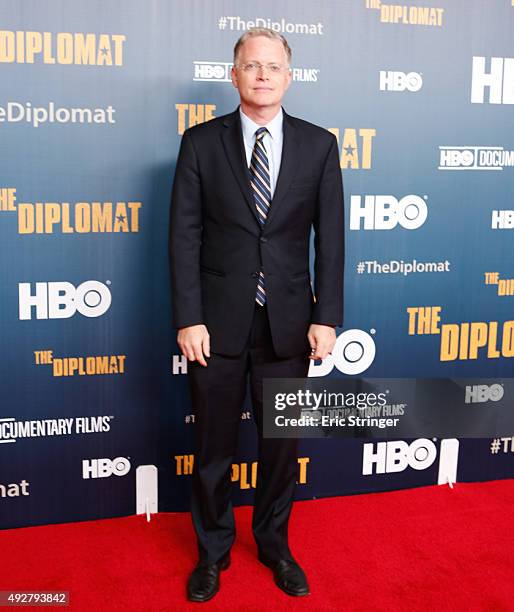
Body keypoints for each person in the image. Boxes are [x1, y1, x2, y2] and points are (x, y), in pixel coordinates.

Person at [169, 27, 344, 602]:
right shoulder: (200, 143)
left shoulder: (320, 145)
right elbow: (183, 238)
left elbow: (332, 240)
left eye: (273, 66)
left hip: (290, 325)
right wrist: (188, 317)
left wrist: (327, 316)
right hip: (214, 327)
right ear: (234, 74)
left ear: (289, 76)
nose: (263, 75)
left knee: (281, 450)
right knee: (214, 450)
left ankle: (274, 546)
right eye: (251, 66)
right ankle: (212, 553)